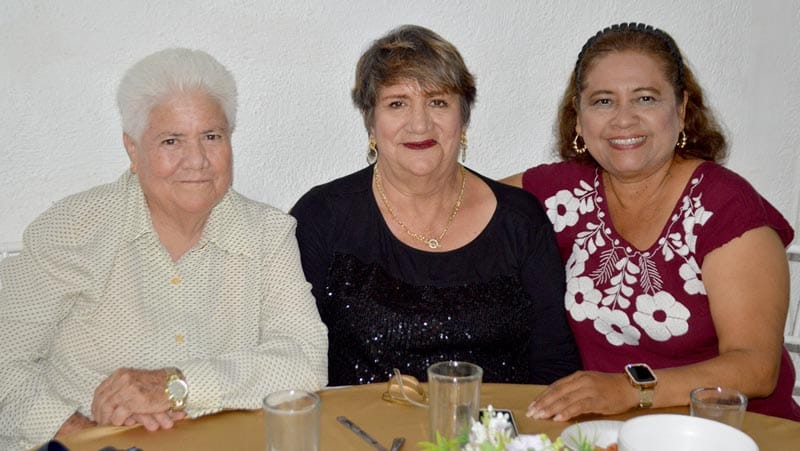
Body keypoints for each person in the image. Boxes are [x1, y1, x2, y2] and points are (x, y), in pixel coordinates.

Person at [0, 48, 328, 449]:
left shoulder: (267, 233)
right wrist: (83, 435)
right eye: (172, 141)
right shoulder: (74, 228)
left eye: (211, 137)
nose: (197, 160)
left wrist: (177, 386)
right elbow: (4, 361)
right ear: (132, 149)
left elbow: (304, 360)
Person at [504, 23, 800, 421]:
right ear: (578, 119)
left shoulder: (724, 206)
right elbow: (456, 201)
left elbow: (756, 368)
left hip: (737, 431)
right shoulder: (563, 192)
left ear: (681, 110)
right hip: (609, 434)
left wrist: (628, 389)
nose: (624, 119)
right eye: (603, 101)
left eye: (645, 98)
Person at [291, 25, 580, 387]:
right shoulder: (322, 217)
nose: (419, 124)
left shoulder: (521, 220)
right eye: (397, 103)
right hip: (360, 422)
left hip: (497, 423)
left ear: (464, 118)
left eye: (438, 102)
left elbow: (556, 366)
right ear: (370, 119)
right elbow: (295, 360)